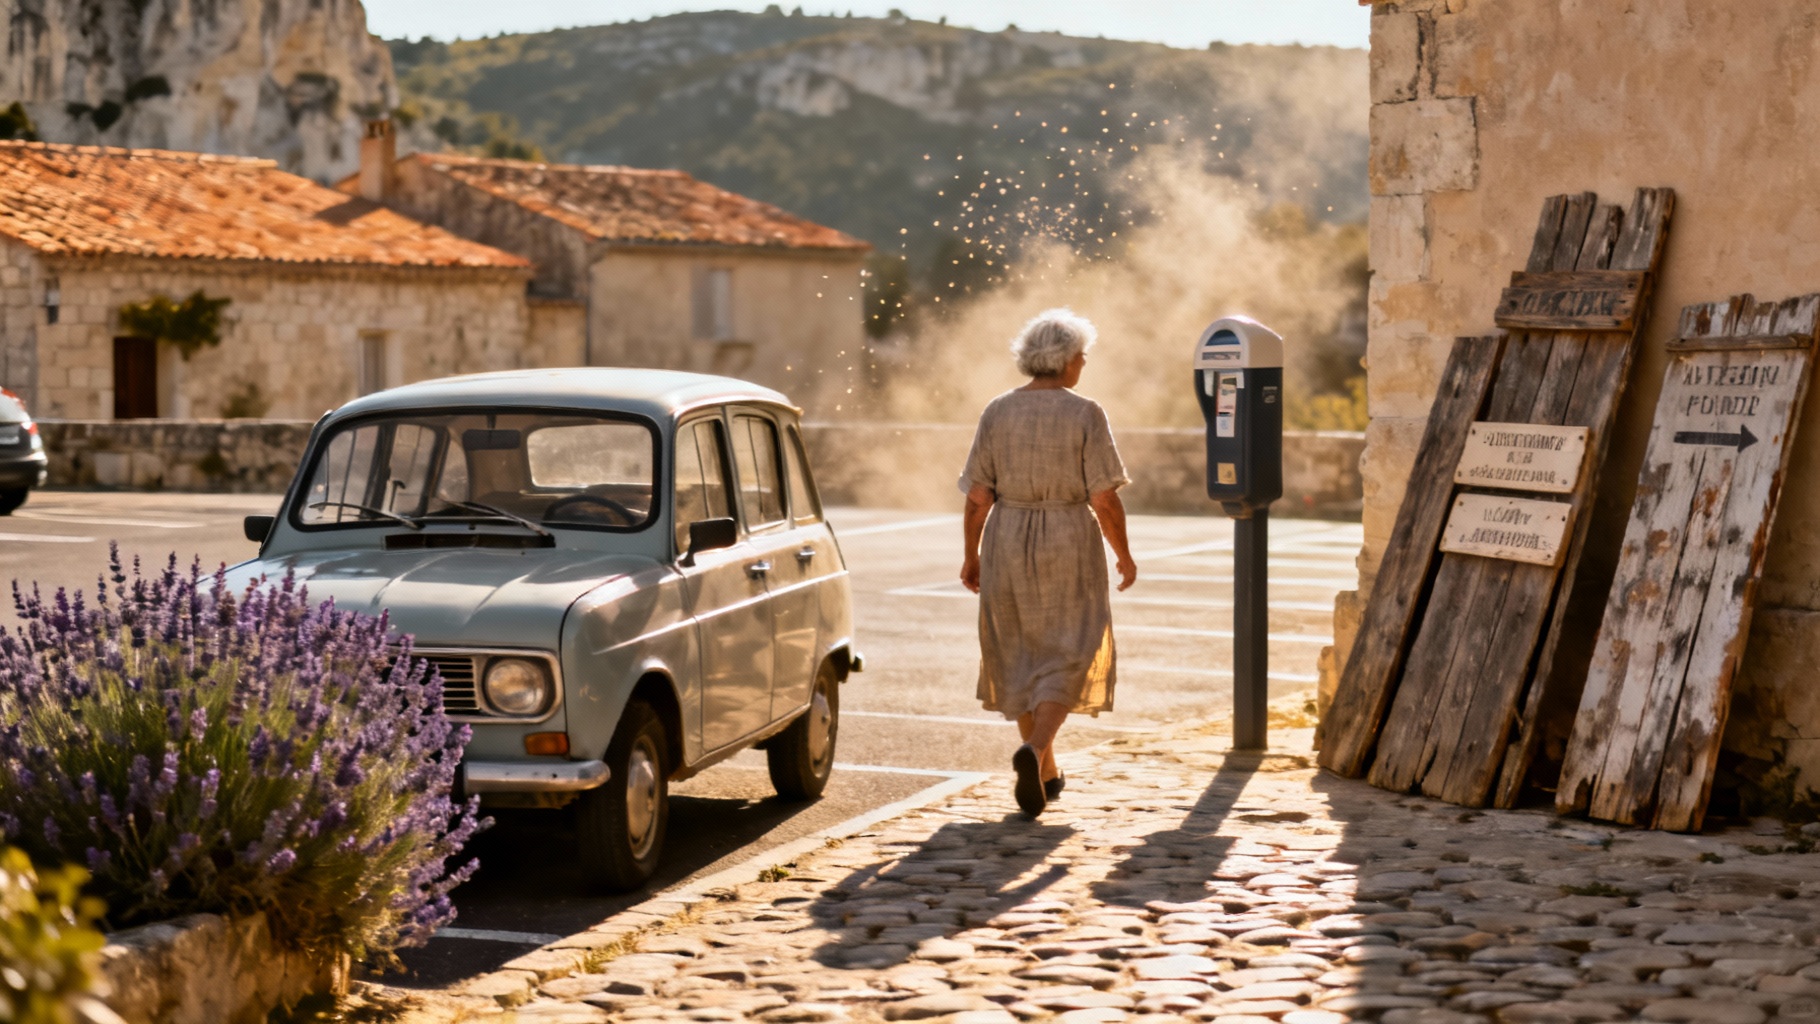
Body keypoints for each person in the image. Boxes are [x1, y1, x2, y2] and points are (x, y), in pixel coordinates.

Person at [958, 307, 1137, 817]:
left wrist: (971, 556)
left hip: (1007, 538)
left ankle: (1046, 772)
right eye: (1082, 355)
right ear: (1066, 360)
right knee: (1073, 650)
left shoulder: (997, 411)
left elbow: (978, 497)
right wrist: (1124, 555)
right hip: (1067, 538)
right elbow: (1104, 497)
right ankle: (1036, 750)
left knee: (1020, 652)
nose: (1084, 363)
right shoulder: (1086, 413)